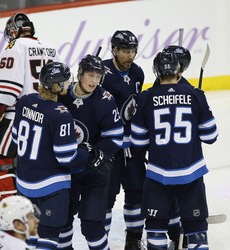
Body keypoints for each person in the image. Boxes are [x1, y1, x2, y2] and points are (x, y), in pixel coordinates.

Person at [0, 12, 61, 232]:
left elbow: (6, 91)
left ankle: (9, 214)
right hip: (48, 116)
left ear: (12, 31)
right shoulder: (50, 48)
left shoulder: (15, 47)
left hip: (21, 116)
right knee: (35, 161)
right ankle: (40, 211)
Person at [12, 62, 112, 249]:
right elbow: (66, 157)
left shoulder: (25, 101)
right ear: (58, 85)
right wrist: (88, 153)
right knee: (49, 236)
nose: (69, 83)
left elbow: (16, 139)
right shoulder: (60, 113)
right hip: (50, 187)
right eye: (66, 81)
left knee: (31, 233)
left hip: (24, 183)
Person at [130, 51, 219, 250]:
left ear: (156, 72)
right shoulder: (195, 94)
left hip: (158, 174)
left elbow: (138, 140)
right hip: (191, 173)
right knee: (196, 227)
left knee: (155, 226)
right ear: (179, 71)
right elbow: (211, 136)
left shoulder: (145, 98)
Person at [57, 54, 123, 250]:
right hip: (67, 170)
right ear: (80, 74)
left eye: (98, 76)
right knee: (62, 221)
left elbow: (115, 138)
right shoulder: (62, 94)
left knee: (92, 225)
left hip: (94, 170)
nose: (94, 81)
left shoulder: (105, 100)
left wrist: (95, 153)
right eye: (90, 75)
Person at [101, 30, 145, 249]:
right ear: (114, 51)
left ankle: (134, 239)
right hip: (109, 148)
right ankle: (101, 242)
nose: (130, 56)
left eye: (133, 51)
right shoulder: (100, 73)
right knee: (106, 197)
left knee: (136, 192)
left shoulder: (138, 73)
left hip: (133, 147)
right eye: (125, 51)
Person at [152, 45, 192, 249]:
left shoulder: (158, 85)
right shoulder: (190, 90)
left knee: (172, 197)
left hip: (160, 157)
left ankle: (178, 232)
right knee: (177, 197)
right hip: (181, 157)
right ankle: (179, 231)